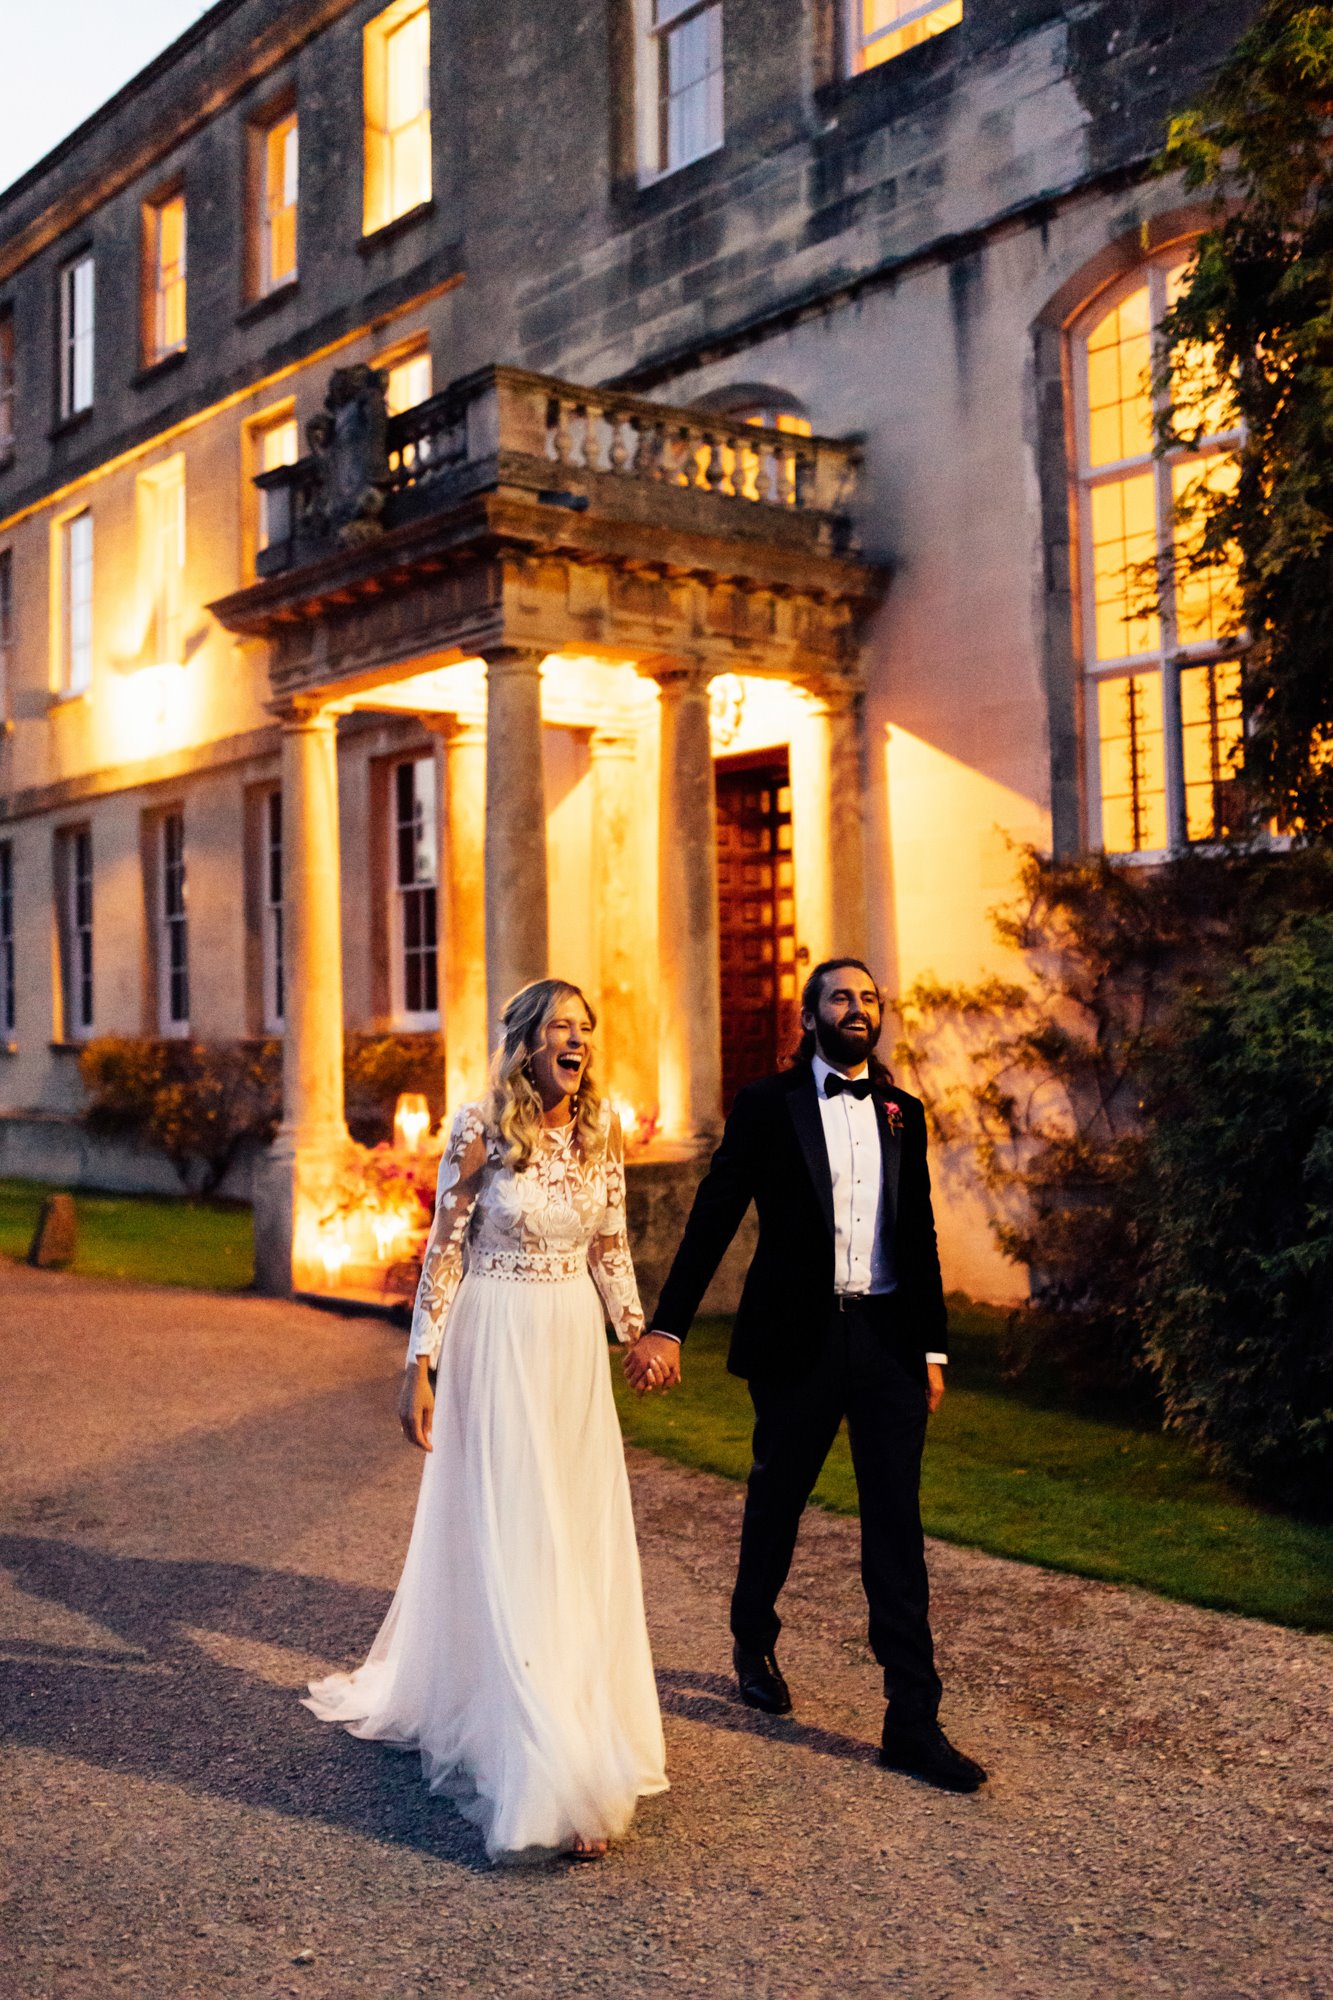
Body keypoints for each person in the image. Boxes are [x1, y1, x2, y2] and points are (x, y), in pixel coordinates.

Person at [303, 979, 669, 1860]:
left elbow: (610, 1242)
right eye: (558, 1028)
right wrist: (417, 1364)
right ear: (525, 1044)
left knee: (571, 1536)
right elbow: (445, 1247)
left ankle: (582, 1720)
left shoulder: (600, 1129)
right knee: (514, 1534)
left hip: (570, 1348)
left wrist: (636, 1331)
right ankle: (535, 1758)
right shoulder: (479, 1129)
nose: (575, 1042)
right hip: (496, 1340)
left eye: (584, 1029)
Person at [625, 957, 987, 1793]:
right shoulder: (765, 1107)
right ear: (808, 1016)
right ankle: (752, 1635)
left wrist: (930, 1349)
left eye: (867, 998)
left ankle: (912, 1721)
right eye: (840, 997)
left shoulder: (903, 1113)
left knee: (894, 1524)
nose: (857, 1009)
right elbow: (714, 1215)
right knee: (777, 1496)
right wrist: (668, 1324)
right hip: (799, 1341)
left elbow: (920, 1232)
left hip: (889, 1342)